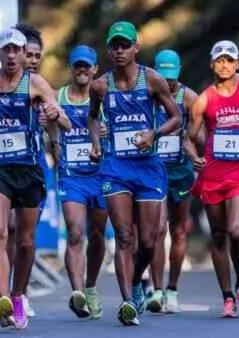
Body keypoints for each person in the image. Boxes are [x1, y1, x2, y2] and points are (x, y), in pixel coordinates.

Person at [0, 28, 68, 330]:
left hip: (29, 169)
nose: (11, 55)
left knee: (25, 241)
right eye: (5, 50)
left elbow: (59, 120)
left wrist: (54, 116)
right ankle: (4, 298)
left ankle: (19, 295)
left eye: (16, 50)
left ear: (23, 54)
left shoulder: (35, 83)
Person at [88, 21, 181, 325]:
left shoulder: (152, 80)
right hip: (115, 168)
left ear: (136, 48)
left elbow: (176, 118)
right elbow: (91, 117)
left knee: (149, 241)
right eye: (114, 45)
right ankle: (128, 301)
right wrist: (95, 142)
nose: (119, 51)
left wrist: (153, 135)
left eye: (124, 45)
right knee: (125, 236)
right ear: (109, 50)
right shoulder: (100, 85)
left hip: (148, 168)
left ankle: (139, 279)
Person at [145, 50, 201, 313]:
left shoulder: (189, 98)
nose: (168, 83)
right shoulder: (145, 93)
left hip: (181, 171)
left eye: (172, 77)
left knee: (178, 230)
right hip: (153, 170)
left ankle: (173, 289)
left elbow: (203, 134)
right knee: (157, 231)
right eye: (163, 77)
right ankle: (156, 289)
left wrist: (192, 143)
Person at [57, 45, 108, 320]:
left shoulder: (104, 96)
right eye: (77, 65)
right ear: (71, 68)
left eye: (86, 66)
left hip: (101, 175)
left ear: (95, 70)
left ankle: (90, 286)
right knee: (75, 232)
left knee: (97, 235)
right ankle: (77, 294)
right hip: (72, 176)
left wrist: (107, 131)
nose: (82, 70)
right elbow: (45, 128)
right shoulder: (59, 97)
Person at [189, 40, 239, 318]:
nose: (224, 64)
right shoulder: (204, 99)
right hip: (213, 175)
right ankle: (227, 296)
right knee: (219, 236)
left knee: (236, 230)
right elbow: (190, 137)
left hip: (238, 175)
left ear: (237, 64)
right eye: (219, 60)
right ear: (212, 64)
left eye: (229, 60)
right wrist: (195, 154)